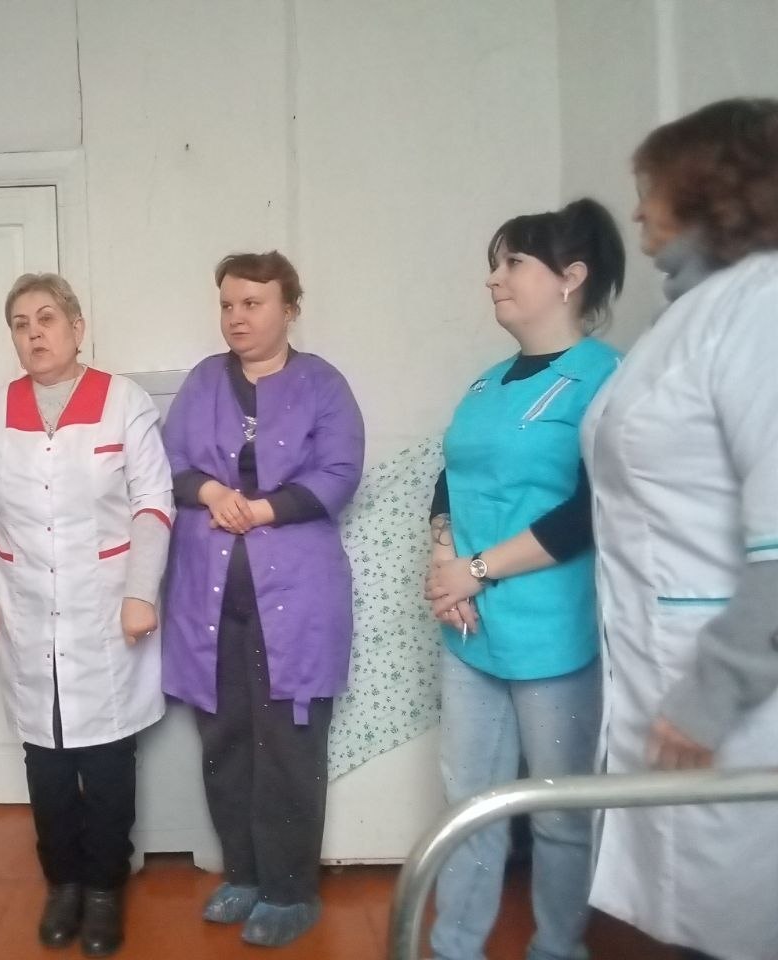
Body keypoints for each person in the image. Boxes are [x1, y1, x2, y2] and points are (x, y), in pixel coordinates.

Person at [583, 97, 778, 960]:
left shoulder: (762, 307)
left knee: (731, 919)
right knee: (678, 918)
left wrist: (712, 693)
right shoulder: (691, 315)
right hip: (666, 676)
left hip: (734, 702)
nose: (637, 213)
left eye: (650, 188)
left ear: (706, 186)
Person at [423, 198, 626, 960]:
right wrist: (443, 561)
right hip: (470, 632)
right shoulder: (487, 385)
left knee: (559, 811)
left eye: (513, 263)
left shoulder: (604, 378)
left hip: (553, 634)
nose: (494, 279)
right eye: (495, 264)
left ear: (570, 277)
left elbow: (591, 509)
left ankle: (558, 948)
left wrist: (474, 571)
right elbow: (449, 477)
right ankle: (454, 947)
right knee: (469, 805)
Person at [0, 272, 172, 957]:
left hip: (106, 607)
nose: (35, 334)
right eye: (21, 324)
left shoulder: (122, 401)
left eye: (47, 318)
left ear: (77, 328)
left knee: (107, 758)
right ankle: (63, 884)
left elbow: (153, 503)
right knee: (45, 760)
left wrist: (141, 593)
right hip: (27, 609)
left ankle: (104, 887)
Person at [161, 250, 364, 948]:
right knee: (223, 737)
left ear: (289, 309)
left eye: (252, 303)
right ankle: (243, 875)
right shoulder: (202, 382)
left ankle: (290, 890)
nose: (236, 317)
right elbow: (169, 465)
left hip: (298, 602)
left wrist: (263, 510)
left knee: (288, 743)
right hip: (209, 599)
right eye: (227, 304)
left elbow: (340, 472)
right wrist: (213, 491)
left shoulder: (323, 384)